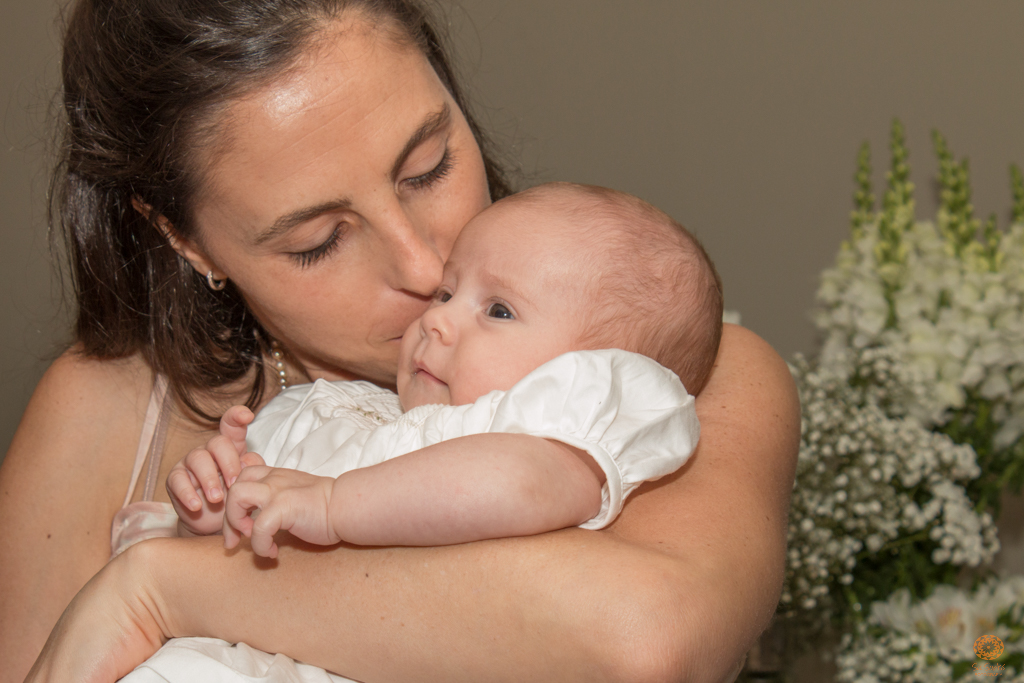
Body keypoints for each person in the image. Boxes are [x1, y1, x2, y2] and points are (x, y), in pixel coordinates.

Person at [3, 1, 800, 682]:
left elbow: (642, 639)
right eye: (318, 240)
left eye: (427, 167)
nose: (424, 266)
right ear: (187, 241)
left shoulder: (664, 373)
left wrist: (161, 587)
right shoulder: (100, 412)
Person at [168, 182, 717, 559]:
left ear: (590, 376)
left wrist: (334, 505)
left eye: (498, 310)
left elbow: (516, 485)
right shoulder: (330, 408)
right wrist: (215, 510)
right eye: (448, 293)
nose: (437, 320)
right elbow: (222, 562)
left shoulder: (535, 444)